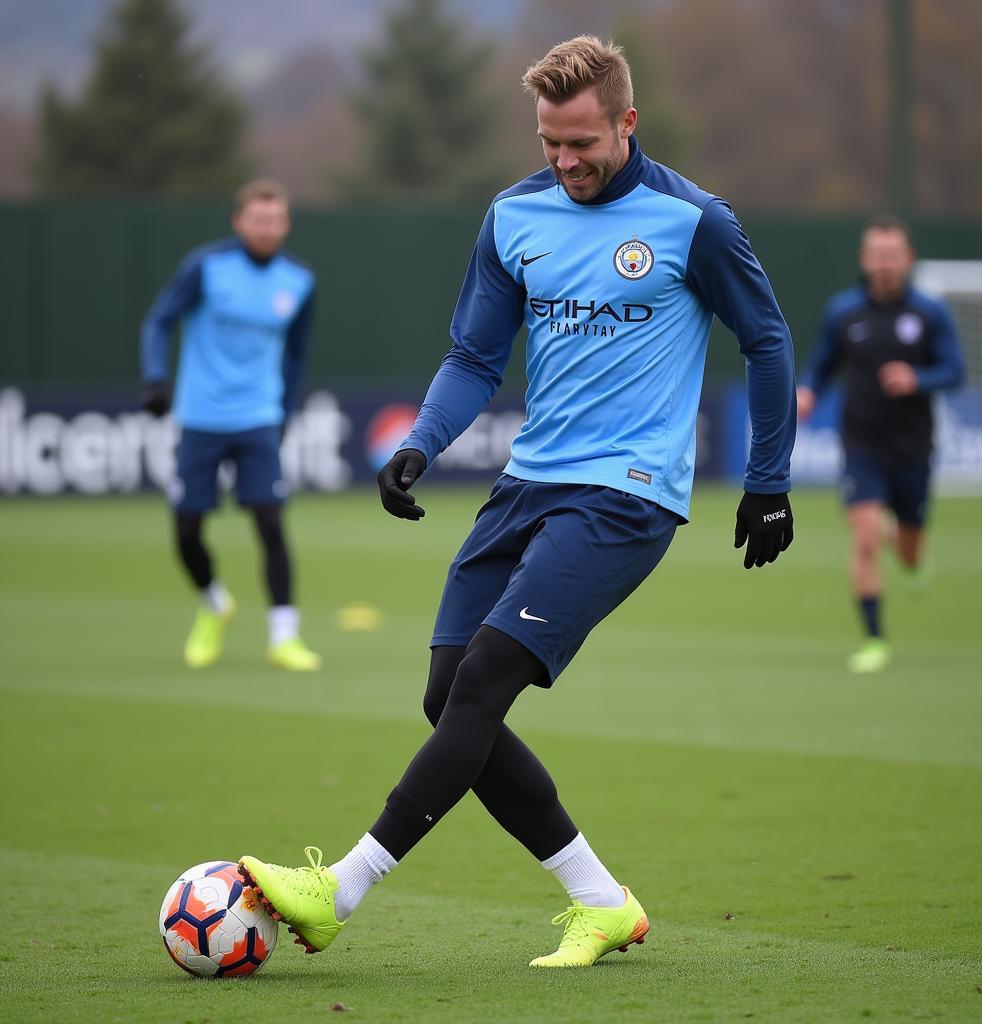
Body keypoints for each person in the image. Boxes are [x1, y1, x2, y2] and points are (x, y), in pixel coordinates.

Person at [238, 36, 795, 968]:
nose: (566, 162)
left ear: (627, 122)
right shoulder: (513, 215)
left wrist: (769, 480)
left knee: (486, 680)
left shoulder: (692, 220)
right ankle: (601, 901)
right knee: (446, 696)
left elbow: (769, 342)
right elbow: (474, 358)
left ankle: (340, 889)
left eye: (582, 143)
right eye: (550, 144)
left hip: (625, 496)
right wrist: (421, 443)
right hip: (527, 483)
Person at [140, 178, 322, 672]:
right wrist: (156, 380)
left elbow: (297, 353)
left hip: (258, 417)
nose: (267, 229)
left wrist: (284, 407)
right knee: (186, 529)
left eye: (276, 220)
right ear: (239, 222)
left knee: (270, 521)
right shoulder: (207, 267)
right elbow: (159, 320)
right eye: (258, 220)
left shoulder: (298, 280)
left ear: (286, 224)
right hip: (200, 418)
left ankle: (284, 636)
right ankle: (214, 604)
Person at [796, 215, 964, 674]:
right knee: (865, 537)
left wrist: (918, 378)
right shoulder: (843, 311)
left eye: (893, 256)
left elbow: (955, 371)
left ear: (907, 259)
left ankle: (908, 548)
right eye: (877, 255)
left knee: (907, 550)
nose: (884, 264)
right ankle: (874, 639)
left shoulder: (929, 313)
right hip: (861, 444)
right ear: (864, 259)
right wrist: (808, 391)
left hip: (913, 448)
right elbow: (822, 364)